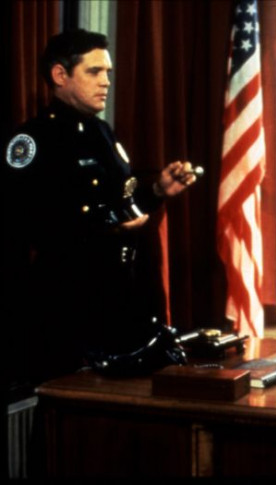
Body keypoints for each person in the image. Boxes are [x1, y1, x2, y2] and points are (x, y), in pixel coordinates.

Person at [2, 30, 197, 387]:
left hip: (118, 301)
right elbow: (26, 224)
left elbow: (122, 204)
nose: (105, 81)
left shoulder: (102, 133)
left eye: (107, 72)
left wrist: (157, 190)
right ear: (60, 75)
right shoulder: (33, 142)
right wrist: (104, 226)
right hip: (64, 306)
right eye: (94, 71)